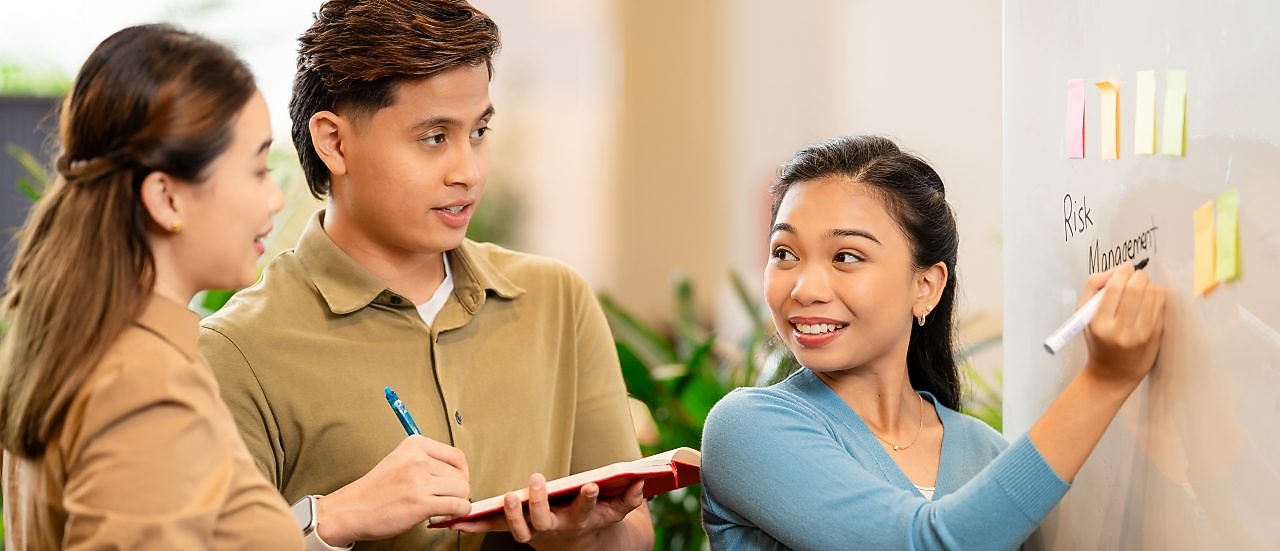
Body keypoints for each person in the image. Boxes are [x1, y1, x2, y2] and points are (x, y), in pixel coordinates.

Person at [197, 1, 652, 549]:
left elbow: (632, 535)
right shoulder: (237, 351)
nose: (470, 171)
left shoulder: (559, 301)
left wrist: (574, 538)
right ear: (334, 142)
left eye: (479, 131)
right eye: (435, 137)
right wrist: (329, 520)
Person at [700, 135, 1166, 550]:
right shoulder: (748, 428)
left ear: (925, 286)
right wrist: (1105, 379)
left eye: (846, 256)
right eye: (784, 254)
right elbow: (928, 543)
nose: (804, 288)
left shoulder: (986, 452)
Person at [0, 24, 301, 549]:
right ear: (167, 198)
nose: (274, 200)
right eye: (257, 170)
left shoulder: (76, 343)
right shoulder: (145, 386)